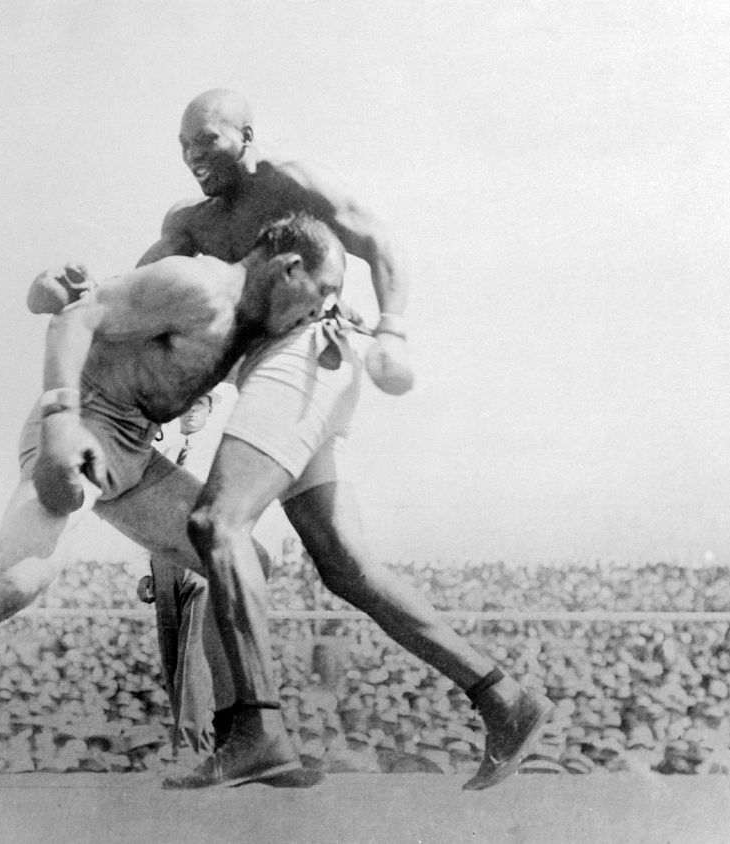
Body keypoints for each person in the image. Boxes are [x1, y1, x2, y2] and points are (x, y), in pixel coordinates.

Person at [0, 212, 344, 790]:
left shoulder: (249, 321)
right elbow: (75, 316)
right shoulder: (198, 285)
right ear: (290, 267)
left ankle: (237, 741)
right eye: (325, 292)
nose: (320, 311)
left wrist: (343, 329)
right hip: (82, 429)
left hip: (133, 455)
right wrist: (60, 419)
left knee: (241, 563)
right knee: (19, 577)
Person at [139, 89, 555, 790]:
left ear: (246, 135)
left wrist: (393, 330)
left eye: (206, 140)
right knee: (346, 567)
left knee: (218, 523)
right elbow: (143, 291)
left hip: (310, 357)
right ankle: (502, 697)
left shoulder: (291, 182)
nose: (193, 156)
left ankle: (256, 730)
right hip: (274, 381)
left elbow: (380, 241)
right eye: (183, 146)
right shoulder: (191, 225)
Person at [137, 393, 238, 757]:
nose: (191, 411)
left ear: (210, 411)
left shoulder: (215, 452)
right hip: (164, 560)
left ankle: (196, 749)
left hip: (200, 557)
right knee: (172, 658)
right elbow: (145, 514)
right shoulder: (162, 453)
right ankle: (187, 747)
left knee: (194, 657)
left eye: (200, 406)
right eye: (187, 405)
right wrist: (145, 567)